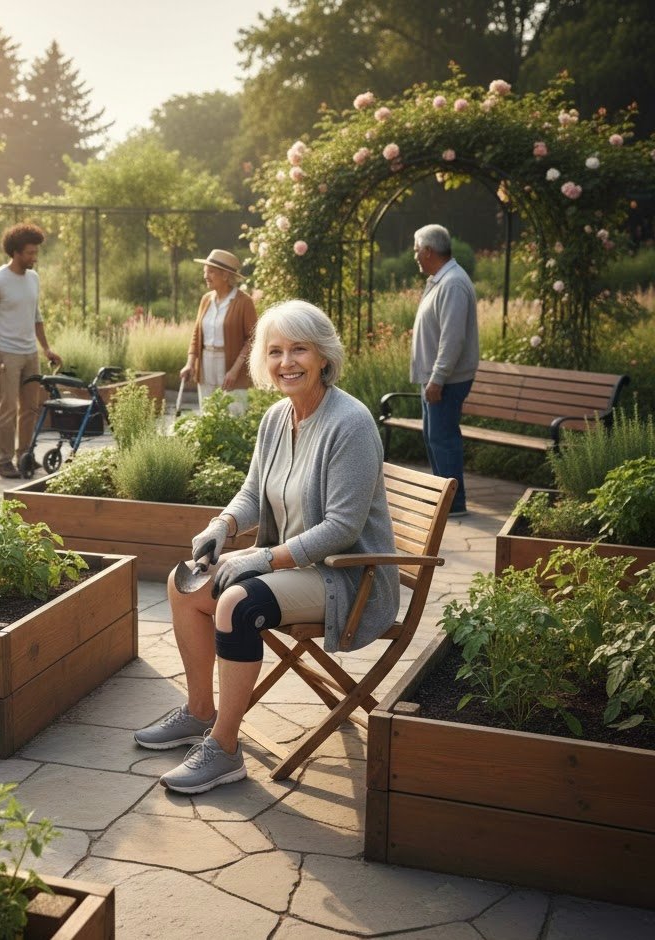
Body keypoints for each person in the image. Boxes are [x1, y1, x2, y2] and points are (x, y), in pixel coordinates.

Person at [134, 299, 400, 794]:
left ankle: (225, 749)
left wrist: (261, 557)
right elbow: (254, 493)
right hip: (294, 565)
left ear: (324, 355)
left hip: (348, 575)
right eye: (275, 351)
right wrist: (223, 525)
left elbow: (342, 528)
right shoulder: (277, 417)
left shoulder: (351, 423)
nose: (286, 362)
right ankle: (199, 711)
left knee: (237, 602)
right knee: (182, 582)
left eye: (300, 349)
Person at [0, 222, 62, 479]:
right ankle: (4, 462)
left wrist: (46, 348)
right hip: (7, 354)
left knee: (30, 408)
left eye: (36, 252)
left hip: (30, 354)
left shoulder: (33, 278)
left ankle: (24, 455)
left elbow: (36, 316)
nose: (34, 257)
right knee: (7, 409)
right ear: (15, 252)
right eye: (30, 253)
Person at [411, 224, 479, 517]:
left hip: (446, 380)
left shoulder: (452, 284)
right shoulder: (441, 280)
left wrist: (437, 379)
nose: (415, 255)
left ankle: (454, 503)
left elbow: (453, 339)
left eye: (416, 250)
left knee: (443, 438)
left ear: (428, 251)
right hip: (436, 378)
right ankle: (442, 499)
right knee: (434, 437)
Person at [180, 249, 258, 413]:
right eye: (205, 271)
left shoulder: (244, 302)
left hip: (231, 365)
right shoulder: (206, 299)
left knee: (234, 414)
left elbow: (253, 339)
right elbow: (196, 334)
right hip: (206, 363)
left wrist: (234, 371)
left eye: (211, 272)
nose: (205, 276)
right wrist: (190, 363)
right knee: (208, 414)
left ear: (225, 275)